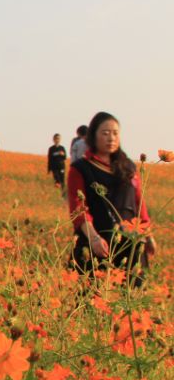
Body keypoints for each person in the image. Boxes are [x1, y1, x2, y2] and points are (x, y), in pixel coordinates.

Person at [67, 111, 157, 284]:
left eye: (115, 133)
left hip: (131, 241)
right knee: (90, 298)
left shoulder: (128, 167)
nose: (111, 138)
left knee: (134, 299)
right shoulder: (81, 168)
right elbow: (78, 208)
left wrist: (148, 234)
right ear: (93, 136)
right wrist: (93, 238)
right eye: (105, 133)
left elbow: (139, 203)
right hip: (98, 242)